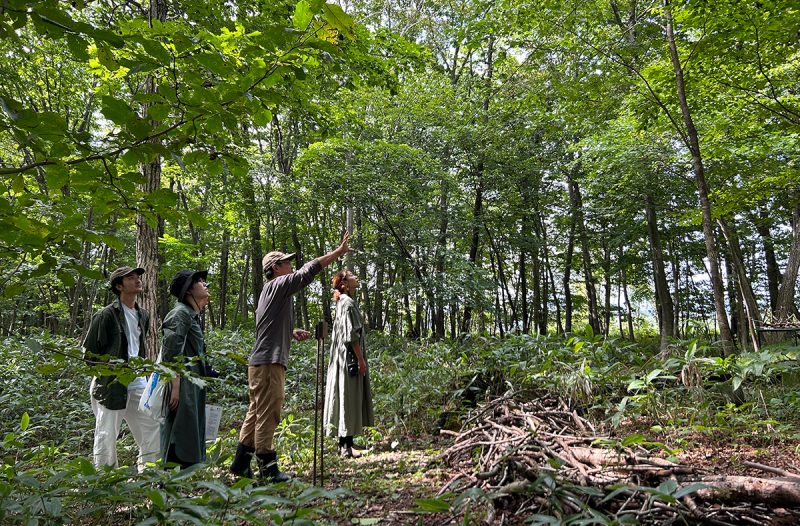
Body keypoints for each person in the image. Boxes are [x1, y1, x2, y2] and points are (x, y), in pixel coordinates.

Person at [230, 233, 351, 482]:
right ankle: (268, 468)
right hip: (268, 363)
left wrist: (290, 331)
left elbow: (266, 325)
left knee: (256, 412)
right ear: (275, 268)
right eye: (286, 262)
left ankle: (241, 464)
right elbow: (306, 273)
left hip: (260, 362)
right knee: (269, 413)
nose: (291, 265)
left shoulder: (269, 292)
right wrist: (337, 253)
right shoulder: (277, 284)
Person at [83, 265, 160, 472]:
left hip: (138, 382)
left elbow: (139, 347)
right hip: (111, 384)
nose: (137, 280)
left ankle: (150, 473)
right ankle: (105, 479)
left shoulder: (143, 315)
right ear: (119, 286)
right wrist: (110, 375)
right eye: (131, 278)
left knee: (151, 425)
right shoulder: (105, 315)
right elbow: (90, 355)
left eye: (138, 277)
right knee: (107, 432)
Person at [160, 269, 210, 469]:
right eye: (199, 281)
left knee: (189, 432)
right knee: (178, 433)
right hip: (182, 386)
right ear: (188, 290)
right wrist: (175, 385)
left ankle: (182, 484)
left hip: (192, 384)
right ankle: (169, 486)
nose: (204, 284)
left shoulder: (191, 314)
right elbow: (171, 351)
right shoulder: (180, 313)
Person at [323, 270, 374, 457]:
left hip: (342, 358)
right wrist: (360, 360)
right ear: (344, 283)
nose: (356, 277)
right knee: (347, 396)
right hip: (349, 359)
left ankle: (348, 443)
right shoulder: (348, 303)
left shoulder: (342, 303)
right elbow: (351, 336)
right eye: (352, 275)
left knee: (348, 397)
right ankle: (345, 447)